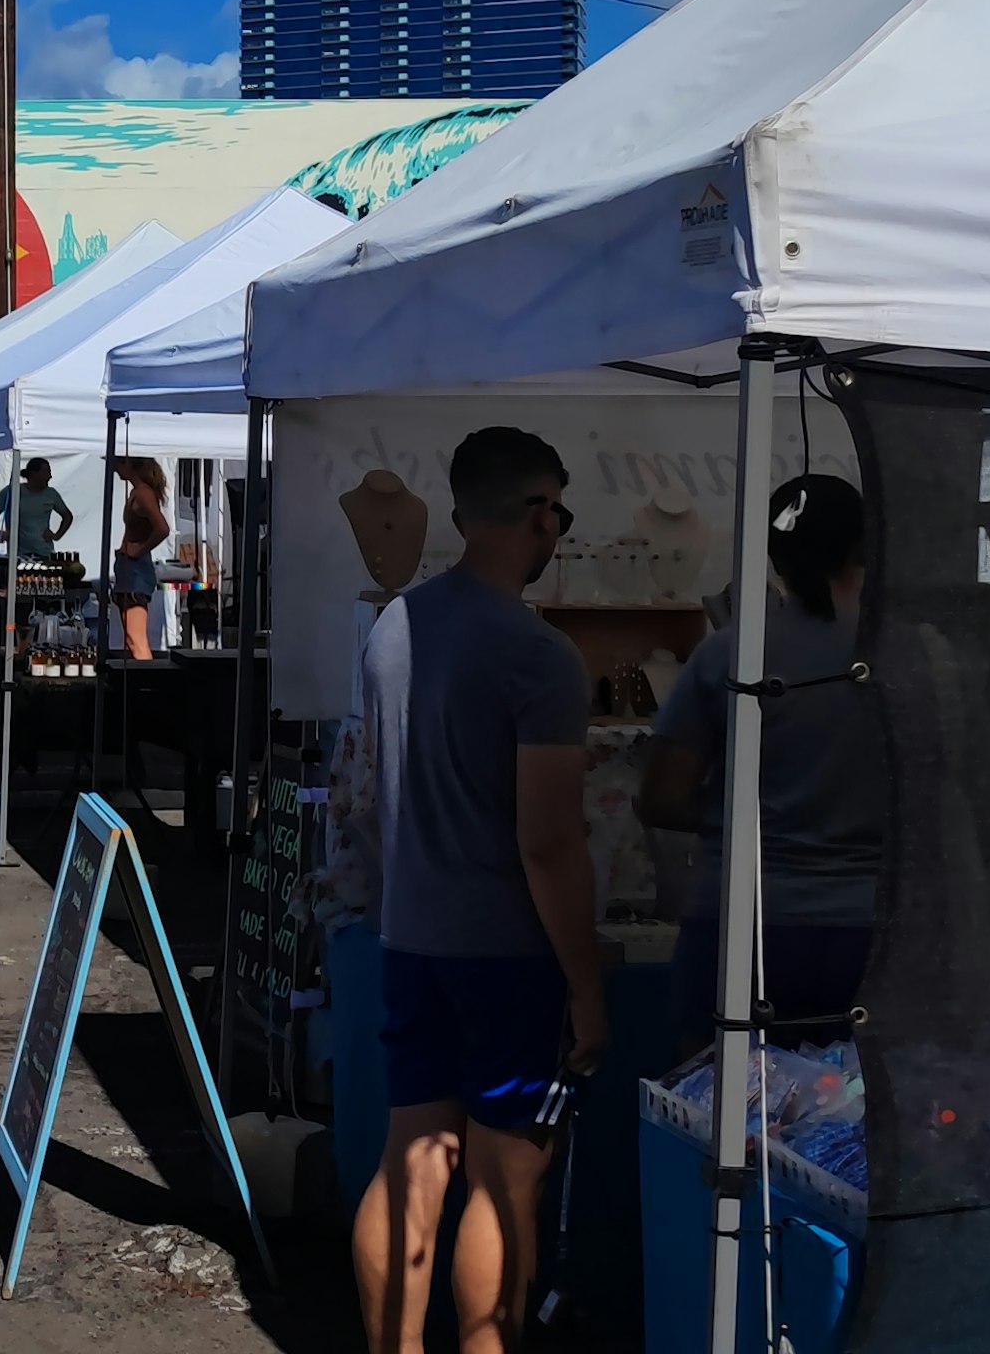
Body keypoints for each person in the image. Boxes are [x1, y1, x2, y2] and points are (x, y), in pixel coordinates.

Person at [352, 427, 607, 1354]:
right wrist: (586, 988)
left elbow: (372, 788)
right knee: (505, 1181)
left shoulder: (393, 626)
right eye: (558, 514)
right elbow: (548, 842)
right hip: (506, 952)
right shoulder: (538, 656)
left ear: (460, 513)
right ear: (539, 512)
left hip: (413, 936)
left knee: (410, 1166)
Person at [641, 474, 886, 1056]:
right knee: (853, 1132)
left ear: (774, 557)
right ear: (867, 546)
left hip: (742, 928)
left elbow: (660, 800)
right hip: (874, 934)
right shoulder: (916, 656)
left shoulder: (731, 653)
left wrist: (745, 815)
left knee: (716, 1116)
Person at [113, 456, 172, 660]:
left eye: (117, 463)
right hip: (130, 566)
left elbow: (162, 528)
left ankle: (150, 684)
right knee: (132, 638)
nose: (114, 468)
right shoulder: (138, 492)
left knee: (136, 639)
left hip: (135, 567)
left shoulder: (143, 494)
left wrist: (139, 550)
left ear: (129, 464)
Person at [0, 455, 75, 564]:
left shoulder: (51, 494)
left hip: (44, 553)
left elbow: (67, 516)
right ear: (33, 473)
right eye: (46, 472)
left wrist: (57, 535)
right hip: (17, 555)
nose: (50, 477)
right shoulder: (12, 492)